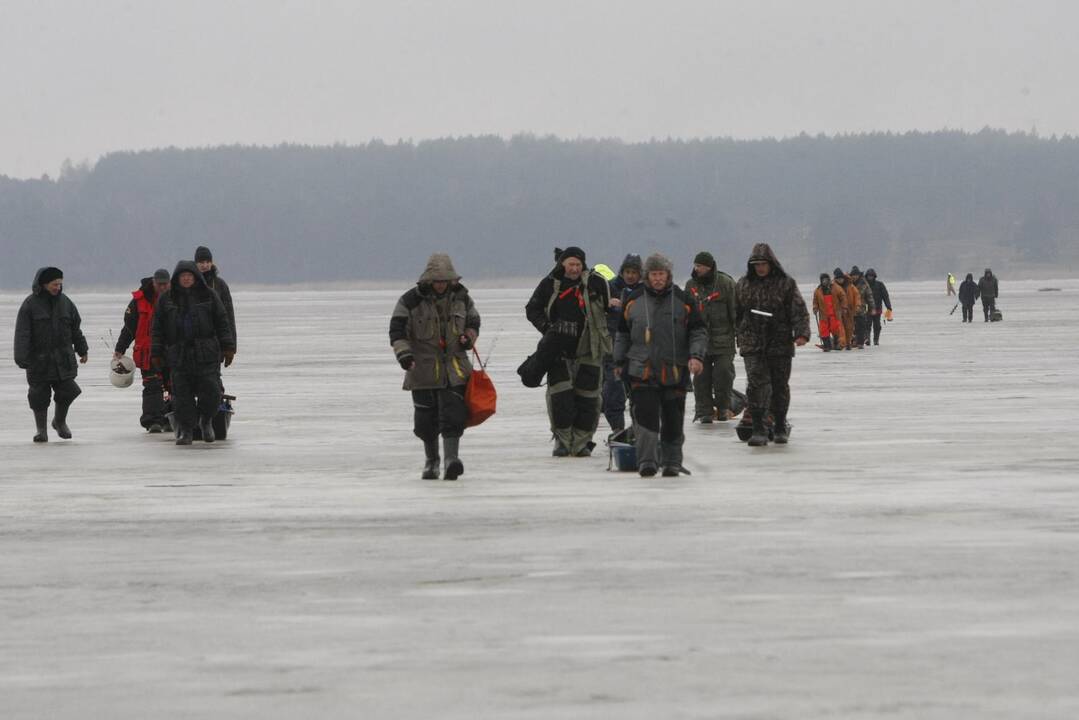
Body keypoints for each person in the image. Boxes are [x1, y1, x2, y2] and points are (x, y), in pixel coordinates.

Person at [389, 254, 480, 480]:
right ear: (428, 280)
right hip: (421, 370)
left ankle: (451, 460)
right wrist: (404, 355)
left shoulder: (463, 298)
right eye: (436, 280)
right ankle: (432, 461)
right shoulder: (409, 301)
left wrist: (468, 338)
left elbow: (474, 322)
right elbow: (396, 331)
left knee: (454, 416)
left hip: (455, 370)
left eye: (444, 280)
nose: (440, 284)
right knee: (425, 422)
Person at [613, 253, 706, 476]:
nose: (657, 278)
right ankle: (647, 462)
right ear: (647, 275)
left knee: (673, 421)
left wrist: (696, 356)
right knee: (646, 420)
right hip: (641, 370)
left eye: (661, 274)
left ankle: (672, 462)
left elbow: (698, 331)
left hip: (674, 371)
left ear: (668, 275)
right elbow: (622, 334)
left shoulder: (683, 300)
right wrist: (618, 361)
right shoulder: (633, 299)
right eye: (653, 274)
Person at [525, 246, 611, 457]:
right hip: (557, 351)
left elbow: (611, 310)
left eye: (578, 264)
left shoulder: (596, 283)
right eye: (570, 264)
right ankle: (562, 441)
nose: (574, 268)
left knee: (589, 400)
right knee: (559, 398)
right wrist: (547, 329)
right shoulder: (549, 284)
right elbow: (532, 309)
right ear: (562, 264)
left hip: (590, 349)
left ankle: (581, 443)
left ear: (583, 265)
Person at [151, 261, 235, 445]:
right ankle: (187, 430)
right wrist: (156, 353)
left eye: (190, 275)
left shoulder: (209, 295)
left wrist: (228, 347)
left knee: (212, 391)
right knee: (182, 395)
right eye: (183, 276)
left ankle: (206, 421)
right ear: (177, 278)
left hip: (206, 353)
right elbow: (157, 329)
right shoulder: (166, 299)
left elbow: (222, 322)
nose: (187, 279)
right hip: (179, 354)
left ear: (195, 277)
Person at [735, 245, 810, 446]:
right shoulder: (743, 284)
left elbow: (798, 310)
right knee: (755, 386)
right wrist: (739, 334)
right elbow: (736, 312)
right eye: (756, 265)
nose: (760, 268)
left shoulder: (785, 284)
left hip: (780, 342)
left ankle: (778, 426)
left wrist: (801, 333)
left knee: (779, 386)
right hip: (752, 343)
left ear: (771, 264)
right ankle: (758, 427)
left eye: (763, 264)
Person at [13, 267, 89, 442]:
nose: (57, 287)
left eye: (60, 284)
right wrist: (21, 357)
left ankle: (59, 421)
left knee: (70, 391)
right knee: (39, 396)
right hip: (38, 361)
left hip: (63, 359)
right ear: (44, 284)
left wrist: (82, 349)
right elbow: (22, 333)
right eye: (54, 284)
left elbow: (75, 329)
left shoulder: (66, 303)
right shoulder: (30, 305)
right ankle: (41, 431)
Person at [113, 269, 172, 432]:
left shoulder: (177, 298)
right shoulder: (138, 301)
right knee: (152, 384)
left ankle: (171, 416)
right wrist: (120, 348)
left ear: (170, 283)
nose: (162, 287)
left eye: (165, 284)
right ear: (153, 283)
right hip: (148, 352)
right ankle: (153, 421)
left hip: (172, 350)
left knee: (174, 384)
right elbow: (129, 328)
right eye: (159, 284)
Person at [683, 251, 737, 423]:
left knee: (723, 375)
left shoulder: (726, 284)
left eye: (699, 266)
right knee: (701, 378)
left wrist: (741, 336)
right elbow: (685, 314)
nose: (696, 269)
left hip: (724, 340)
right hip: (700, 343)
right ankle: (704, 411)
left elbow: (735, 312)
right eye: (695, 265)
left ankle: (723, 407)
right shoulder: (690, 285)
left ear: (709, 266)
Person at [602, 254, 642, 433]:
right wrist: (606, 303)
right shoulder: (609, 288)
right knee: (614, 393)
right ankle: (617, 429)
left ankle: (638, 429)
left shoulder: (646, 291)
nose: (631, 275)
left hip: (639, 351)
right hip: (613, 350)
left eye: (634, 272)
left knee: (639, 394)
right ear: (622, 272)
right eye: (627, 271)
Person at [194, 246, 237, 351]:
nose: (205, 265)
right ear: (196, 264)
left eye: (208, 262)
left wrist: (231, 346)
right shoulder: (190, 283)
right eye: (201, 262)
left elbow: (229, 315)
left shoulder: (220, 285)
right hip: (194, 343)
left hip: (216, 341)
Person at [812, 272, 846, 351]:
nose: (824, 281)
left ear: (828, 279)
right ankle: (827, 346)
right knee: (824, 331)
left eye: (826, 279)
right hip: (823, 315)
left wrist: (844, 307)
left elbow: (843, 297)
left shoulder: (836, 288)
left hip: (834, 314)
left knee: (836, 329)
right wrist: (815, 308)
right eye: (823, 280)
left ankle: (837, 344)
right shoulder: (818, 291)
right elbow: (815, 301)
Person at [848, 266, 875, 349]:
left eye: (856, 275)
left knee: (861, 326)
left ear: (859, 275)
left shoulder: (864, 283)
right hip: (850, 308)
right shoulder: (848, 283)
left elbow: (869, 296)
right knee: (851, 327)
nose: (854, 277)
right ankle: (852, 341)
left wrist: (873, 308)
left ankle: (860, 343)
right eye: (853, 275)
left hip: (861, 308)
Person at [863, 268, 892, 346]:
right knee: (867, 325)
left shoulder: (880, 285)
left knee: (877, 326)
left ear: (874, 276)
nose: (870, 277)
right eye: (869, 276)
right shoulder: (864, 285)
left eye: (872, 276)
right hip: (867, 309)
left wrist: (888, 307)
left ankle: (876, 340)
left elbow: (885, 296)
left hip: (877, 309)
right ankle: (867, 339)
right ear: (866, 276)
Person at [832, 268, 857, 350]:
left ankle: (848, 342)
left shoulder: (850, 286)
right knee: (840, 328)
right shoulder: (832, 287)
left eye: (841, 278)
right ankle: (842, 343)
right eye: (838, 279)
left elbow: (857, 296)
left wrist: (857, 306)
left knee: (849, 328)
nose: (840, 280)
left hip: (849, 310)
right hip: (837, 310)